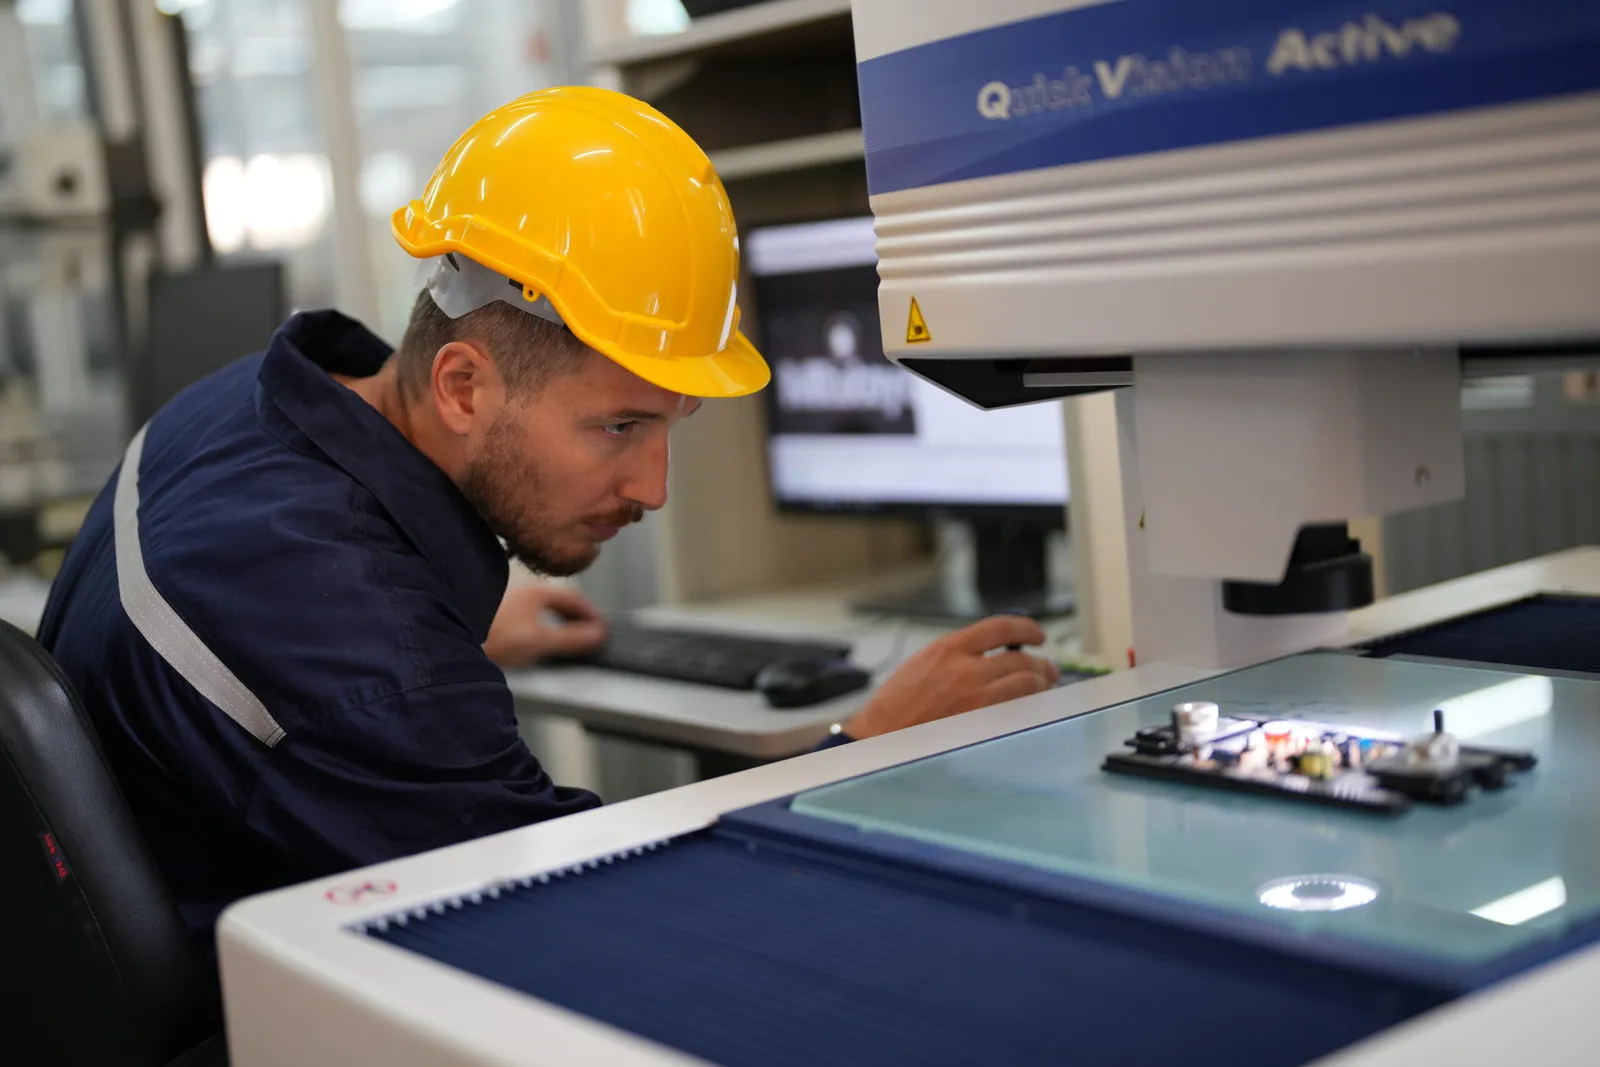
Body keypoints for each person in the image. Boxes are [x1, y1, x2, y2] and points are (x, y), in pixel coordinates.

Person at [37, 87, 1058, 958]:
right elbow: (601, 920)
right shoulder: (365, 660)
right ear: (463, 384)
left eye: (670, 425)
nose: (653, 486)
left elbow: (290, 636)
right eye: (618, 424)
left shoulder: (244, 407)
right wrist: (858, 751)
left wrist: (446, 626)